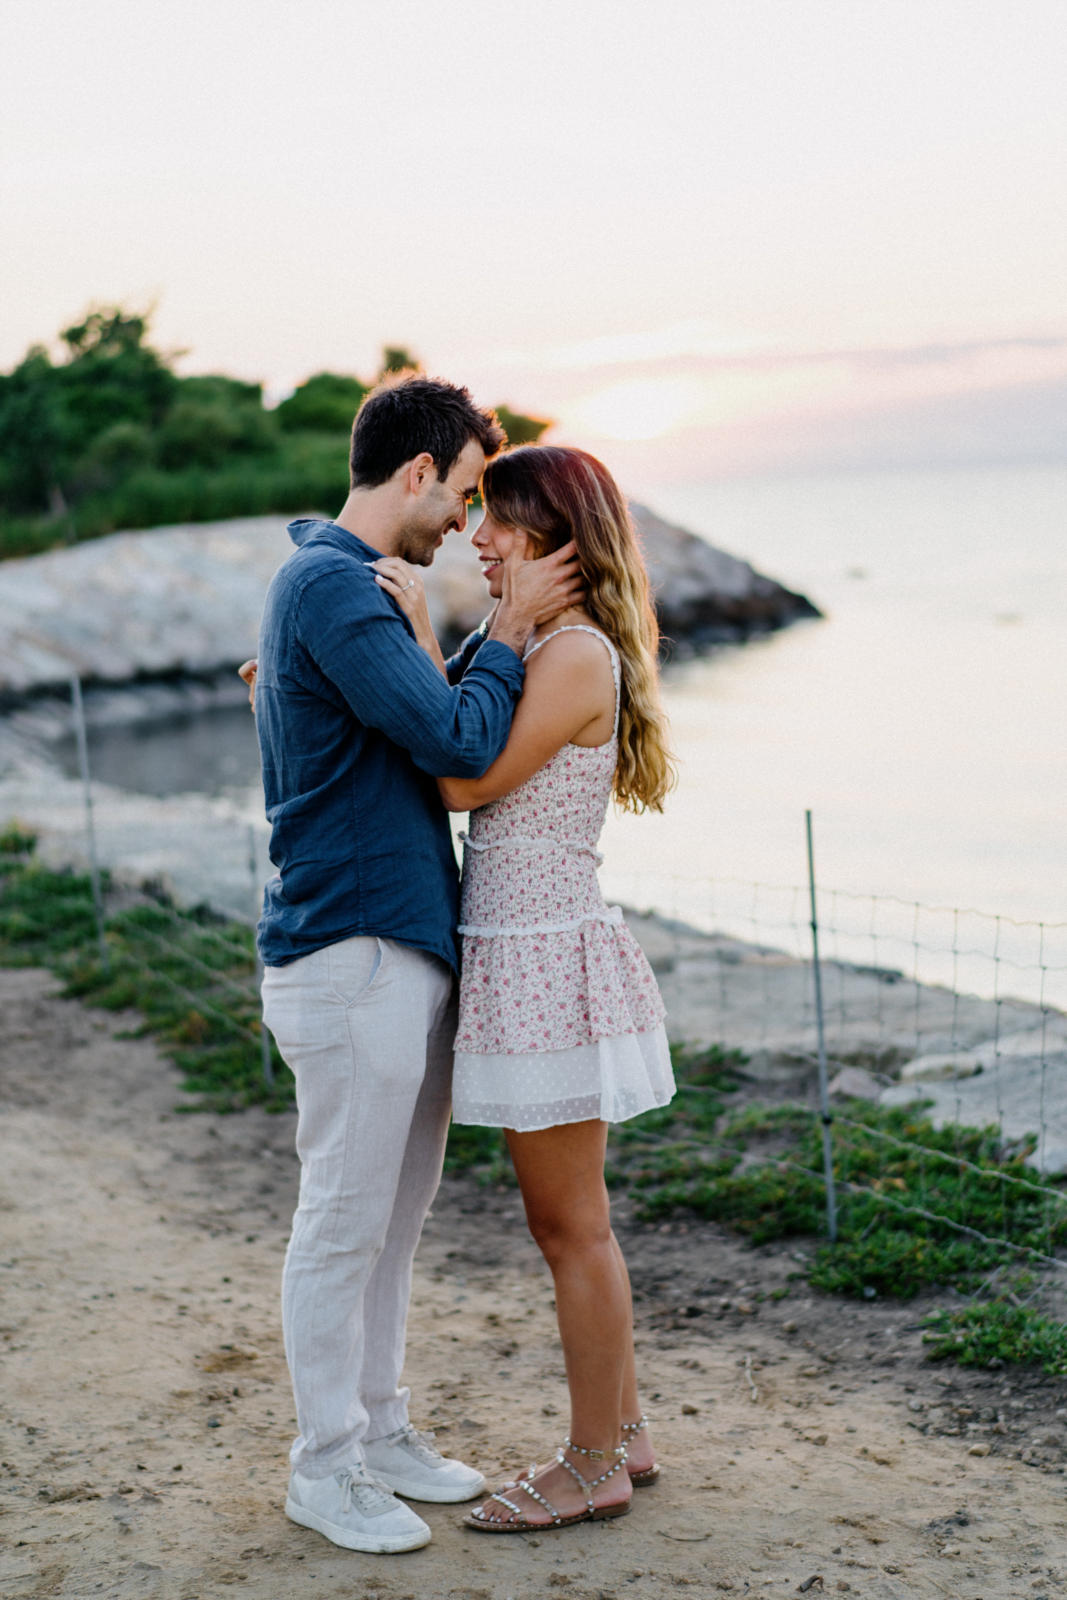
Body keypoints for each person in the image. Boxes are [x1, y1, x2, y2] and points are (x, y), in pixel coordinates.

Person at [248, 376, 582, 1555]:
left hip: (393, 948)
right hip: (352, 954)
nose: (464, 521)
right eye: (463, 489)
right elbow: (453, 742)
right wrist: (500, 628)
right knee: (343, 1221)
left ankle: (379, 1430)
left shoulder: (351, 590)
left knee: (391, 1220)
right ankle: (323, 1465)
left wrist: (432, 636)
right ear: (414, 473)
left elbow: (406, 723)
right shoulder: (334, 585)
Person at [374, 443, 675, 1533]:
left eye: (499, 522)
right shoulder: (542, 645)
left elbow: (460, 777)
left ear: (551, 538)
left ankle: (590, 1460)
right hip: (524, 952)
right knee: (574, 1220)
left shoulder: (572, 655)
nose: (478, 540)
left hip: (546, 959)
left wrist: (417, 635)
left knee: (569, 1226)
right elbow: (442, 721)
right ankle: (626, 1433)